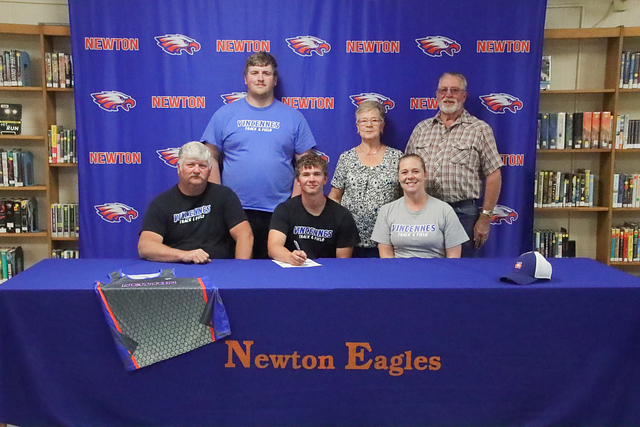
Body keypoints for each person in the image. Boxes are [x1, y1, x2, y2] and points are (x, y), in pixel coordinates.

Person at [200, 52, 316, 259]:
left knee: (275, 273)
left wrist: (294, 205)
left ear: (275, 80)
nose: (260, 78)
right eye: (254, 73)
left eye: (266, 73)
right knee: (235, 272)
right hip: (234, 212)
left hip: (279, 212)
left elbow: (306, 164)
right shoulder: (224, 115)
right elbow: (209, 158)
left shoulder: (294, 117)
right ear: (246, 78)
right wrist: (219, 199)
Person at [405, 72, 502, 257]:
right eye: (443, 90)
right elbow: (406, 171)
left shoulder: (480, 129)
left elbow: (493, 174)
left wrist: (485, 217)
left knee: (461, 269)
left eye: (454, 90)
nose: (448, 95)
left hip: (463, 214)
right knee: (424, 268)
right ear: (437, 95)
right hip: (424, 212)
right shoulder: (421, 129)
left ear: (464, 96)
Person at [138, 141, 253, 263]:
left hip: (219, 266)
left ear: (210, 170)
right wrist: (184, 255)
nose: (197, 170)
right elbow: (146, 246)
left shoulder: (225, 196)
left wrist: (240, 268)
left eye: (202, 166)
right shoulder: (161, 204)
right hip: (179, 267)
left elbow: (245, 235)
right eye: (191, 165)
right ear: (179, 168)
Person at [328, 101, 402, 258]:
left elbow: (405, 197)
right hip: (349, 241)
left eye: (374, 120)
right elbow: (335, 197)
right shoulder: (346, 158)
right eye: (363, 121)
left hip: (387, 240)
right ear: (357, 126)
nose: (369, 125)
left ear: (382, 126)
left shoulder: (397, 157)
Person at [268, 154, 360, 266]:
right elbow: (273, 247)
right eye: (306, 175)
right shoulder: (284, 210)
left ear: (325, 179)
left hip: (328, 272)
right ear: (298, 180)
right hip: (295, 270)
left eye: (316, 174)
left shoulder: (342, 215)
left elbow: (343, 262)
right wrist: (290, 257)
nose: (311, 179)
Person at [371, 154, 468, 258]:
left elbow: (453, 258)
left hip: (435, 268)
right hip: (399, 268)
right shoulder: (386, 211)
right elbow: (386, 256)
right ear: (398, 177)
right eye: (404, 172)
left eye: (415, 171)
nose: (410, 176)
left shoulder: (445, 211)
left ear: (425, 174)